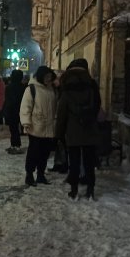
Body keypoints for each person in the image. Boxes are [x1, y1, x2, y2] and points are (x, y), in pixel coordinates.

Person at [56, 58, 101, 200]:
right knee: (89, 161)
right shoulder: (92, 86)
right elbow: (97, 106)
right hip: (90, 129)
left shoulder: (66, 88)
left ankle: (74, 190)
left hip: (72, 131)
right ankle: (90, 189)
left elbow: (62, 113)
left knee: (74, 162)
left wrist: (59, 134)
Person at [20, 66, 58, 186]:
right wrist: (26, 122)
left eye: (50, 77)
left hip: (49, 127)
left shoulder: (52, 89)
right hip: (36, 127)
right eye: (46, 77)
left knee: (45, 153)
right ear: (41, 76)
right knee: (34, 152)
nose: (48, 79)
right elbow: (25, 107)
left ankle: (41, 174)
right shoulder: (31, 89)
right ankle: (29, 174)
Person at [3, 69, 26, 153]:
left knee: (13, 129)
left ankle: (16, 145)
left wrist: (5, 110)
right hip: (20, 109)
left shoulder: (9, 87)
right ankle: (14, 145)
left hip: (12, 110)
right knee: (15, 129)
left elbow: (7, 100)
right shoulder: (23, 87)